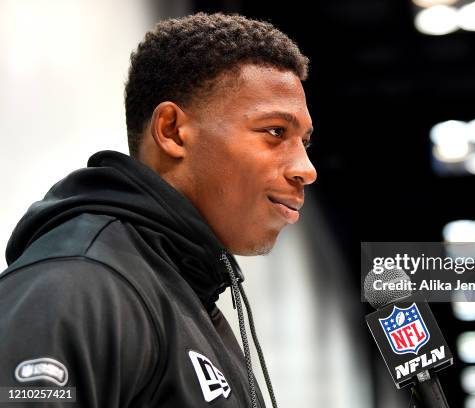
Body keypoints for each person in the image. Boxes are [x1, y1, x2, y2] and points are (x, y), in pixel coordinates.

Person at [0, 12, 316, 408]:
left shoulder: (187, 294)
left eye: (304, 141)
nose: (306, 169)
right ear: (171, 131)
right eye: (275, 132)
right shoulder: (78, 283)